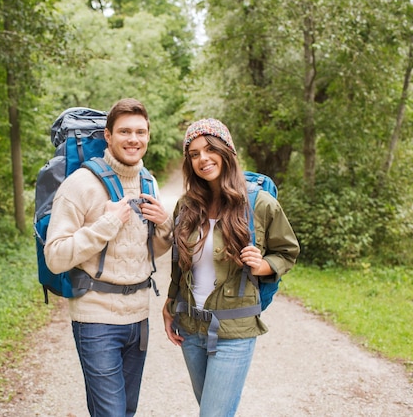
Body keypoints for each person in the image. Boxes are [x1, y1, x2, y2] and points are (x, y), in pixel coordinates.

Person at [162, 118, 300, 417]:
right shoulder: (186, 205)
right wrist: (171, 303)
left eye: (210, 149)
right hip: (190, 328)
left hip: (234, 330)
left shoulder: (259, 203)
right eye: (194, 153)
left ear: (227, 151)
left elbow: (287, 252)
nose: (203, 159)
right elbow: (179, 262)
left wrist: (262, 265)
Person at [44, 98, 173, 417]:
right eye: (125, 131)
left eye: (140, 132)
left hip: (138, 317)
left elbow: (151, 251)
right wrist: (109, 222)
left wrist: (164, 227)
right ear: (108, 136)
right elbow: (55, 256)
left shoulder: (149, 183)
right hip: (96, 318)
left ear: (148, 136)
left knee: (126, 411)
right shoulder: (80, 185)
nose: (133, 139)